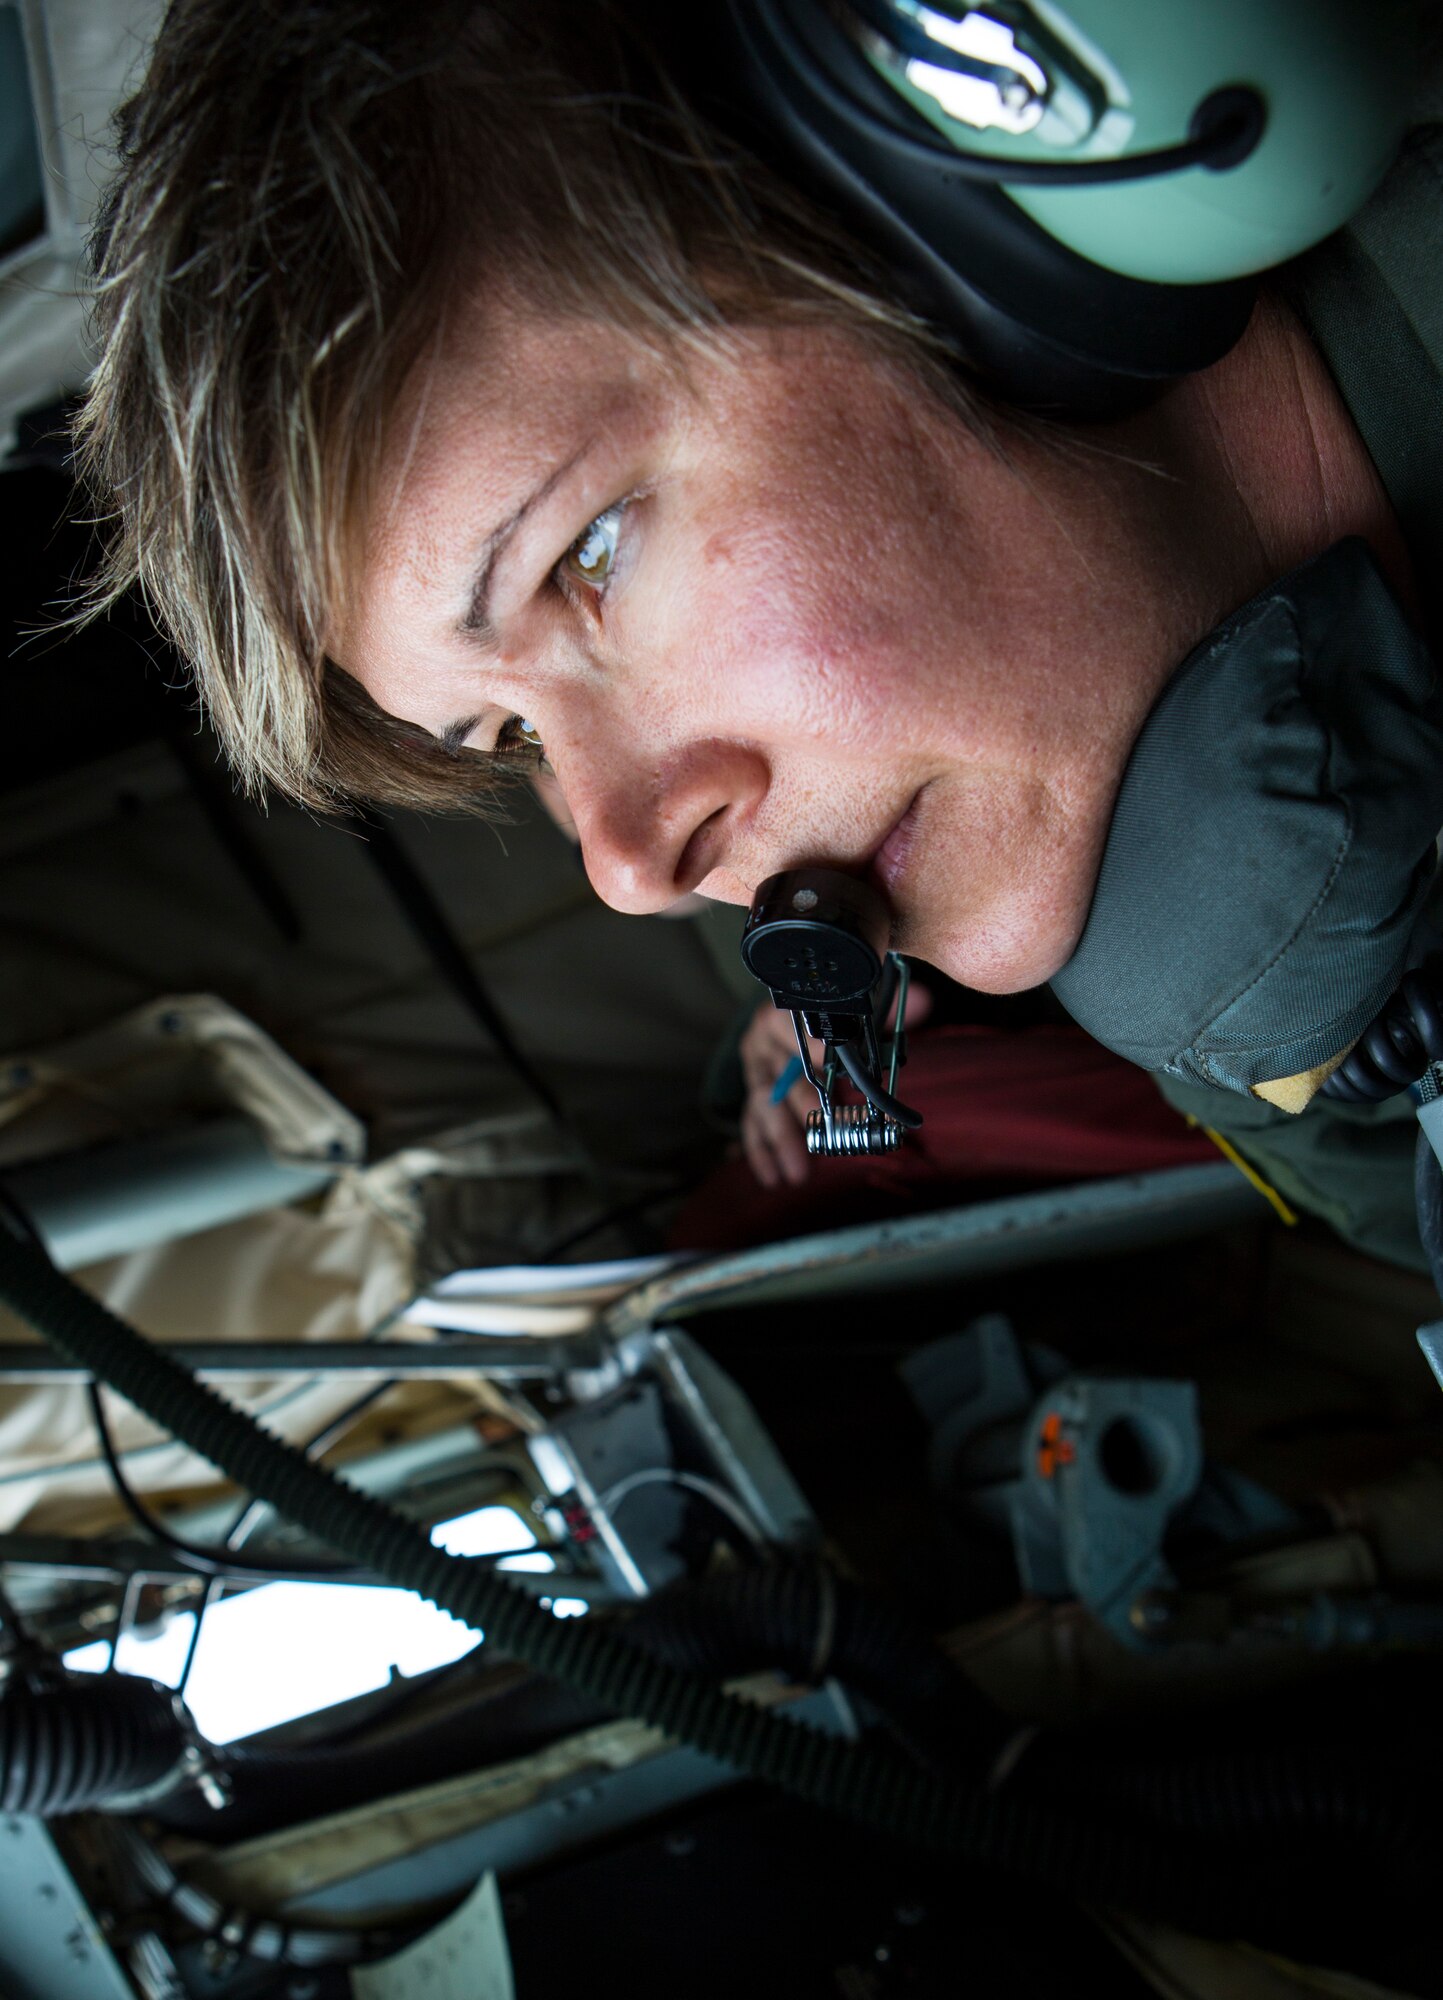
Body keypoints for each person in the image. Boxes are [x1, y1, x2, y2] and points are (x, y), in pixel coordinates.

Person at [76, 2, 1443, 1259]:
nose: (628, 869)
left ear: (928, 205)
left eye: (588, 555)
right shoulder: (1250, 917)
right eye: (514, 736)